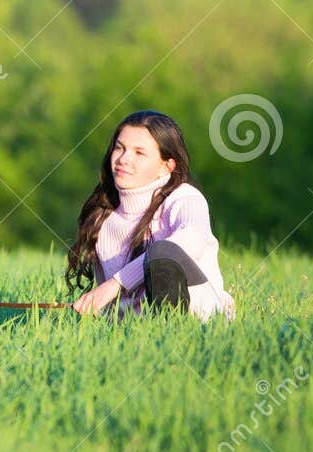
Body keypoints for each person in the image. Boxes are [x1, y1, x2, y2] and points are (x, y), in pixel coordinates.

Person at [66, 110, 236, 322]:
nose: (123, 159)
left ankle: (172, 332)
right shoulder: (103, 218)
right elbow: (109, 302)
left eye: (139, 153)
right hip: (134, 330)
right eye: (119, 148)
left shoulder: (184, 198)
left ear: (166, 166)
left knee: (162, 251)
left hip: (201, 320)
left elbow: (193, 240)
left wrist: (117, 283)